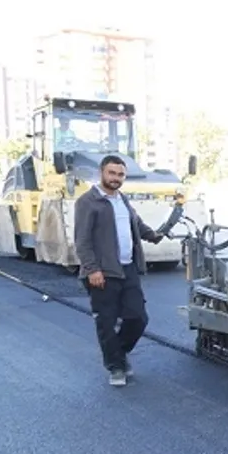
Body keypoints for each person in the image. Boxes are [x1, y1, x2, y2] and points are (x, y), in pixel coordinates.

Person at [73, 154, 167, 387]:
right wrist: (92, 269)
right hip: (103, 273)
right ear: (102, 173)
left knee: (138, 318)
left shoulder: (122, 199)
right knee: (106, 322)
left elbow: (136, 224)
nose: (116, 178)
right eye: (112, 173)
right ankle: (115, 367)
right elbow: (82, 240)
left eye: (120, 174)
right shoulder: (88, 202)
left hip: (128, 268)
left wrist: (154, 235)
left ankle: (118, 353)